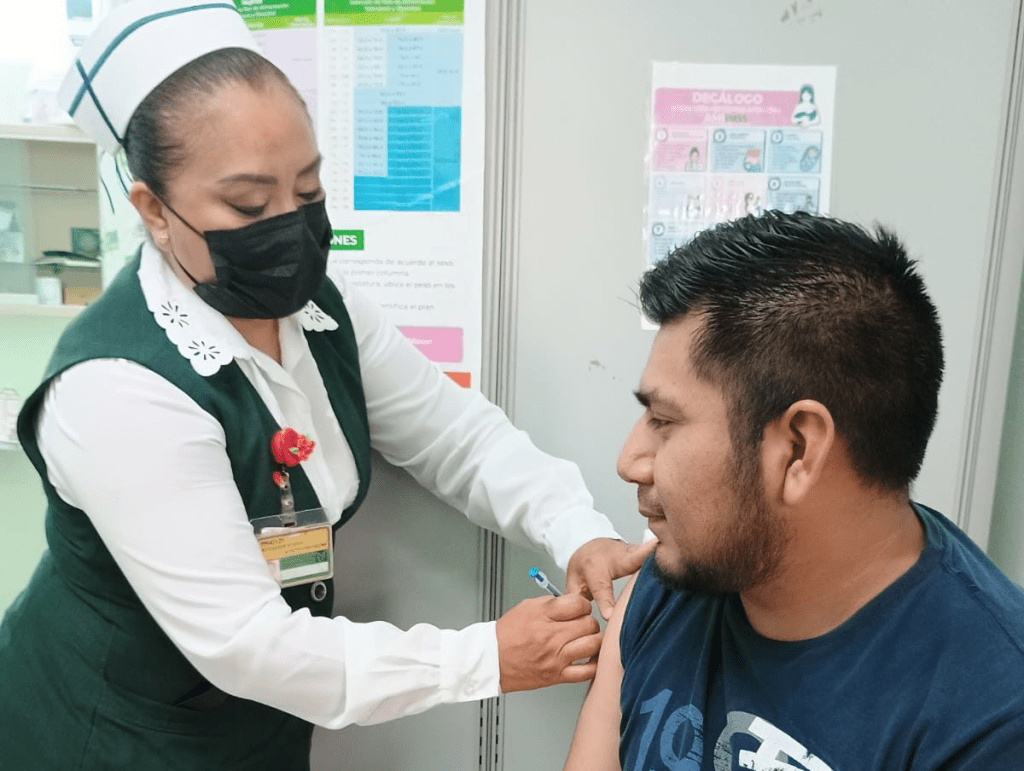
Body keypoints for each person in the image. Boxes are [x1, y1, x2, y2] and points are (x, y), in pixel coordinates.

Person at [0, 2, 652, 769]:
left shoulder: (318, 310)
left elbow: (459, 438)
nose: (290, 224)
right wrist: (488, 657)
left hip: (258, 720)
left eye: (307, 192)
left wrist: (577, 529)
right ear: (152, 209)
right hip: (107, 730)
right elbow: (250, 644)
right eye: (249, 204)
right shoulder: (116, 391)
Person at [564, 211, 1024, 770]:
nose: (629, 462)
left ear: (799, 450)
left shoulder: (992, 720)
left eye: (664, 419)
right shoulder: (675, 577)